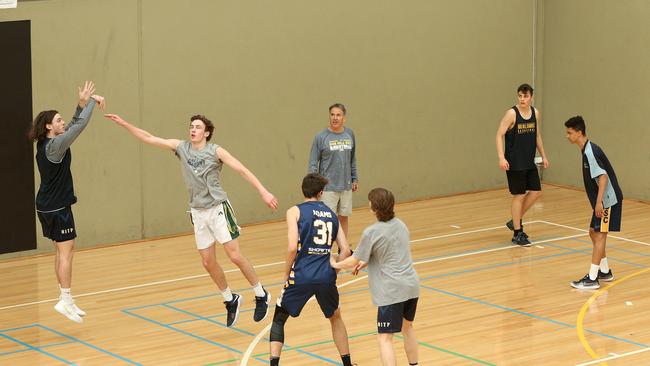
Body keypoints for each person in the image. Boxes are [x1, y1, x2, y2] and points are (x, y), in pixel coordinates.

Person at [104, 113, 277, 326]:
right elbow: (149, 138)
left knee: (234, 255)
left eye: (197, 127)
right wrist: (124, 124)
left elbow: (241, 169)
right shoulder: (181, 148)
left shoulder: (216, 151)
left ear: (206, 132)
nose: (192, 130)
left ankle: (261, 294)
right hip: (198, 211)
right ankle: (230, 299)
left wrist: (263, 191)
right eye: (191, 126)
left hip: (218, 209)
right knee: (207, 262)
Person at [29, 81, 105, 323]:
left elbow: (71, 125)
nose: (63, 123)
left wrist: (81, 103)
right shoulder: (55, 146)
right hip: (57, 207)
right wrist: (92, 103)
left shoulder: (47, 143)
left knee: (60, 251)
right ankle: (65, 299)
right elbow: (79, 126)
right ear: (49, 126)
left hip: (47, 205)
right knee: (67, 252)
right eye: (58, 120)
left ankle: (67, 299)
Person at [269, 173, 355, 366]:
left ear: (303, 190)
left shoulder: (294, 212)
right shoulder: (332, 215)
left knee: (279, 318)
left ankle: (274, 364)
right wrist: (335, 270)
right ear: (321, 193)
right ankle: (347, 363)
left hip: (301, 275)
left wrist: (286, 273)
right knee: (335, 317)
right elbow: (346, 250)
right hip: (325, 276)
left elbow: (292, 248)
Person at [331, 188, 420, 366]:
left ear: (373, 209)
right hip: (411, 287)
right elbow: (391, 252)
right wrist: (366, 262)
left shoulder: (372, 232)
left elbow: (353, 259)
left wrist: (335, 264)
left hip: (392, 292)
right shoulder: (401, 225)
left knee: (385, 338)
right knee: (407, 328)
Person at [565, 116, 622, 290]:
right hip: (604, 201)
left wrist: (599, 203)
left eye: (569, 133)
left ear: (579, 132)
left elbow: (603, 177)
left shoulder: (590, 152)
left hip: (607, 201)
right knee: (593, 232)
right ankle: (604, 271)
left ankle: (592, 278)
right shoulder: (586, 149)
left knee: (600, 236)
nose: (567, 136)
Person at [495, 83, 550, 246]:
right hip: (514, 162)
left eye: (525, 96)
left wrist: (543, 155)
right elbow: (499, 135)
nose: (522, 99)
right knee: (519, 195)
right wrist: (501, 158)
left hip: (529, 160)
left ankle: (515, 220)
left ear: (531, 97)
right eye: (520, 96)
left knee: (536, 192)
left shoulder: (535, 113)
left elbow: (537, 136)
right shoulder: (511, 114)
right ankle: (517, 233)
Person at [308, 103, 358, 238]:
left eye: (338, 115)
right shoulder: (321, 137)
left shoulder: (350, 134)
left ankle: (343, 249)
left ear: (344, 118)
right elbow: (313, 163)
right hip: (328, 188)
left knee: (343, 217)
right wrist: (314, 187)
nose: (335, 118)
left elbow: (352, 158)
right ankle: (327, 251)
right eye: (332, 115)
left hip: (346, 186)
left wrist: (354, 178)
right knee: (327, 221)